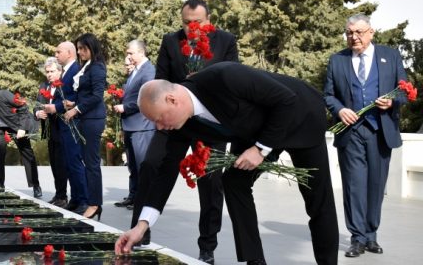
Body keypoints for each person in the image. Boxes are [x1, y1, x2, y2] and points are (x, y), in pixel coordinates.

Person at [116, 62, 339, 265]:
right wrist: (141, 225)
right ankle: (255, 262)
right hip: (255, 132)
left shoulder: (225, 76)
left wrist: (261, 149)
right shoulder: (180, 123)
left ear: (172, 100)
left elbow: (286, 100)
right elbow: (165, 172)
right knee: (234, 182)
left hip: (300, 115)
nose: (160, 127)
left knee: (318, 199)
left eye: (158, 119)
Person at [131, 0, 239, 264]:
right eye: (187, 23)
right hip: (173, 118)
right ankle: (140, 230)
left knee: (211, 182)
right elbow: (162, 80)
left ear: (209, 20)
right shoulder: (170, 41)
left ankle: (207, 246)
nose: (192, 29)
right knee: (151, 165)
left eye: (197, 23)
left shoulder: (226, 41)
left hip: (208, 121)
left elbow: (232, 79)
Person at [323, 14, 408, 258]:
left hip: (381, 131)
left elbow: (404, 91)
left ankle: (371, 235)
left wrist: (392, 102)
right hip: (351, 133)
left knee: (375, 185)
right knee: (354, 186)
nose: (354, 37)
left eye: (359, 32)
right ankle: (357, 238)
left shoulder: (390, 56)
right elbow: (328, 95)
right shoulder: (337, 60)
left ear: (371, 32)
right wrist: (340, 110)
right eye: (349, 33)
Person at [62, 33, 107, 219]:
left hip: (93, 120)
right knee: (87, 162)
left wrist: (76, 109)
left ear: (92, 48)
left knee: (92, 164)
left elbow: (97, 96)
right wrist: (74, 104)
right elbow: (87, 94)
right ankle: (92, 201)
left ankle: (95, 203)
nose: (80, 52)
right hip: (85, 119)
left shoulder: (97, 67)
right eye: (78, 48)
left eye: (83, 48)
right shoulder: (86, 67)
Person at [43, 41, 87, 213]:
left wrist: (56, 107)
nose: (56, 54)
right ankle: (75, 199)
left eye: (58, 51)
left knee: (75, 163)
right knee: (69, 164)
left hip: (72, 123)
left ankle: (83, 200)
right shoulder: (67, 72)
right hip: (63, 125)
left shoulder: (75, 69)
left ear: (69, 52)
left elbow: (76, 97)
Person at [113, 40, 155, 211]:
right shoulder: (135, 71)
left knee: (141, 165)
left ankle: (144, 200)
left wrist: (126, 107)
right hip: (130, 124)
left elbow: (148, 97)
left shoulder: (148, 70)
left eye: (130, 53)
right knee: (132, 165)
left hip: (142, 125)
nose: (128, 57)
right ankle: (133, 196)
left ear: (141, 53)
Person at [35, 57, 69, 208]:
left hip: (63, 129)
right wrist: (37, 113)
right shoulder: (43, 86)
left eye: (52, 71)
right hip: (49, 130)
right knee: (54, 164)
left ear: (60, 71)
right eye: (47, 72)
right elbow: (37, 105)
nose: (49, 74)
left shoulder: (65, 85)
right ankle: (58, 194)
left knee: (62, 164)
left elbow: (67, 104)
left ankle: (63, 196)